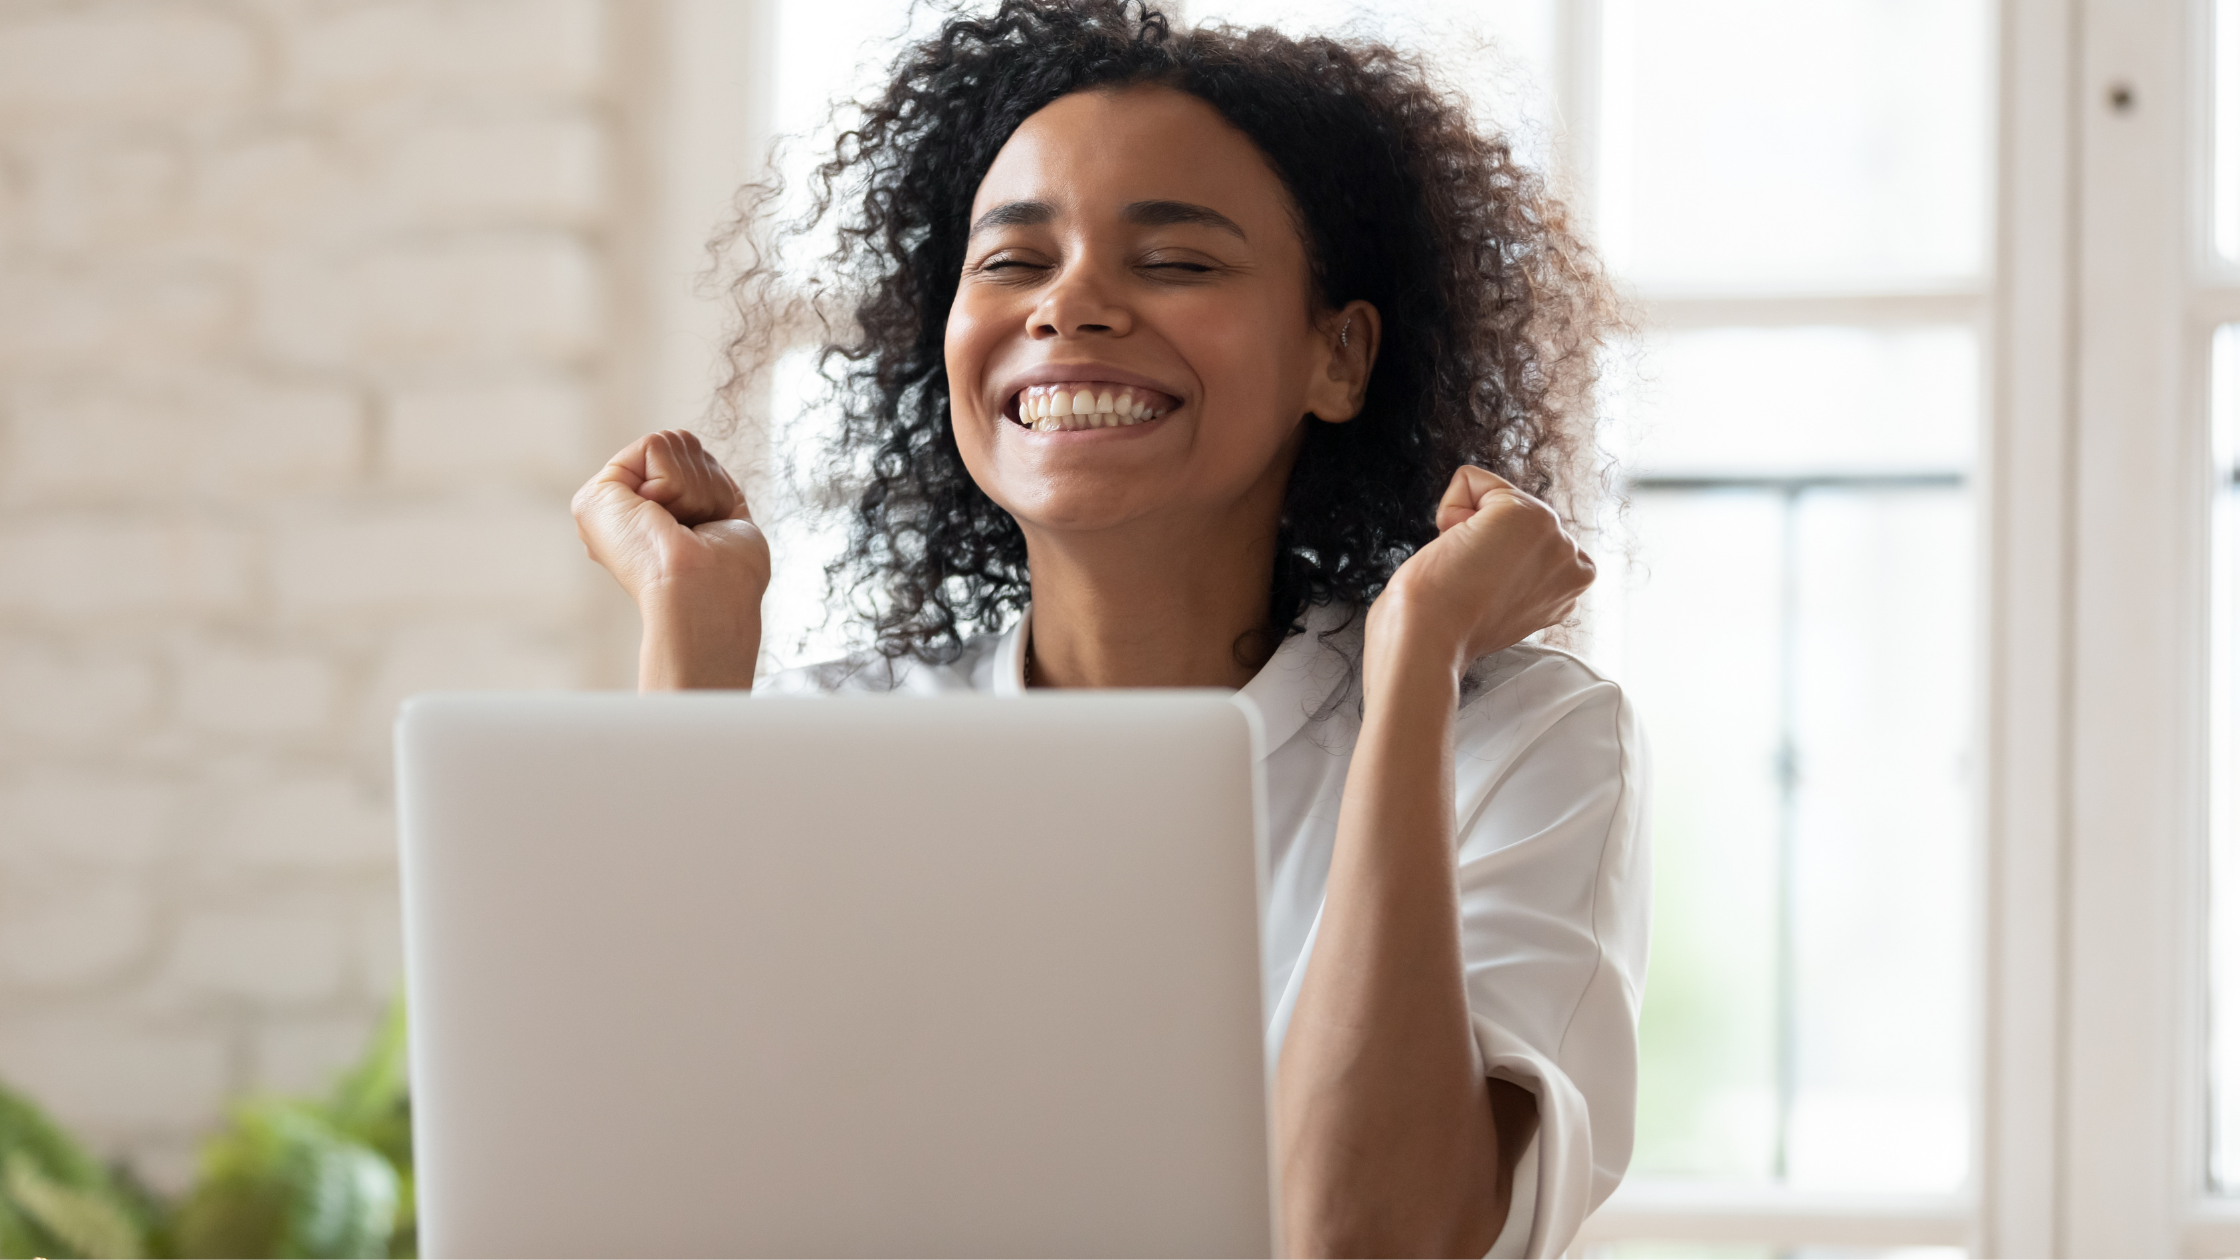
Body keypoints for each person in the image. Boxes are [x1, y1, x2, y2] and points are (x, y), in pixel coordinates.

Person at [571, 1, 1649, 1254]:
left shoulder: (1518, 741)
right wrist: (692, 661)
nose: (1066, 305)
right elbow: (636, 1203)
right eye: (1012, 261)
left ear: (1339, 358)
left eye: (1176, 261)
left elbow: (1367, 1240)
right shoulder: (825, 742)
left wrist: (1413, 663)